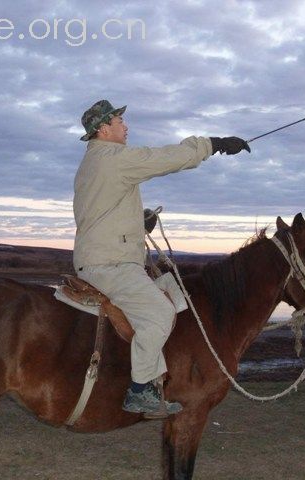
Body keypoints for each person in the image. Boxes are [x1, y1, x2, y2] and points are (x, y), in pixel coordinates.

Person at [73, 99, 250, 418]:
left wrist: (137, 223)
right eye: (119, 121)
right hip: (111, 264)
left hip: (106, 255)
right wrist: (214, 144)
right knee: (159, 312)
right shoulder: (113, 158)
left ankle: (161, 374)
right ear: (103, 129)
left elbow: (100, 213)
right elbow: (166, 158)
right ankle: (139, 389)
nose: (125, 126)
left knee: (174, 293)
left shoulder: (93, 163)